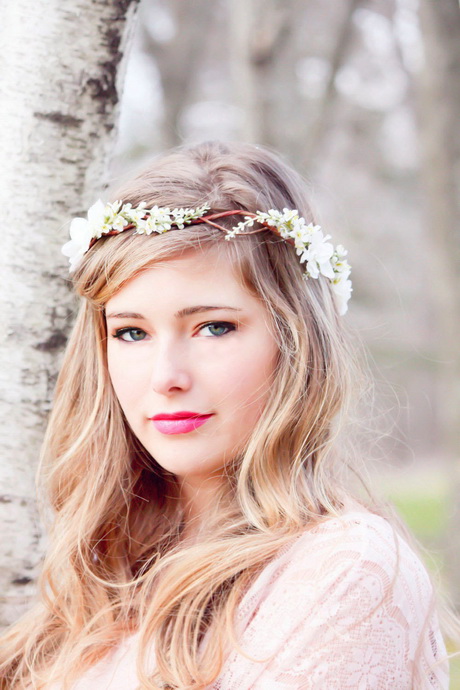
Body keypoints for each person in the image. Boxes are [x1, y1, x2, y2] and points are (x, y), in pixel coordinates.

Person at [0, 140, 455, 689]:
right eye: (131, 332)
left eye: (213, 327)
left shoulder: (345, 573)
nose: (166, 375)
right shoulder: (99, 570)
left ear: (295, 340)